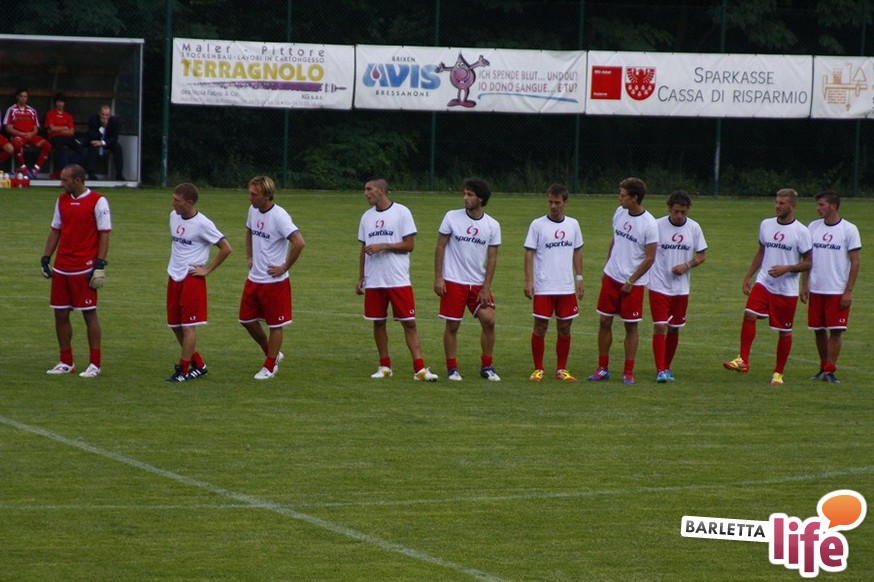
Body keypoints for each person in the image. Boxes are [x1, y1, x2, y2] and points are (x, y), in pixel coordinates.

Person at [723, 188, 812, 386]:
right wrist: (749, 276)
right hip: (764, 282)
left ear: (792, 206)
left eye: (782, 203)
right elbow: (761, 252)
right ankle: (743, 360)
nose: (777, 206)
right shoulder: (766, 224)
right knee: (749, 313)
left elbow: (808, 262)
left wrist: (787, 269)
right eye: (776, 202)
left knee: (784, 331)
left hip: (786, 289)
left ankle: (778, 373)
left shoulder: (802, 231)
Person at [356, 176, 438, 382]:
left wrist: (384, 245)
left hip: (398, 279)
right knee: (378, 323)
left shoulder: (402, 212)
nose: (365, 193)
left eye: (369, 189)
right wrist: (361, 277)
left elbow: (409, 245)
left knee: (409, 323)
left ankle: (419, 369)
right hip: (375, 280)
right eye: (365, 190)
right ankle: (385, 366)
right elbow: (363, 249)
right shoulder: (366, 217)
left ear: (382, 191)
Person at [41, 164, 111, 378]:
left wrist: (100, 264)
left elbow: (104, 233)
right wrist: (46, 258)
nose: (61, 184)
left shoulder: (98, 201)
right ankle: (66, 362)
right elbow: (56, 230)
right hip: (62, 267)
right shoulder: (61, 200)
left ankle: (95, 364)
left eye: (65, 180)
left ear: (78, 181)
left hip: (84, 268)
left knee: (89, 313)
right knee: (60, 313)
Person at [589, 177, 658, 385]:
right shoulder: (619, 212)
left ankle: (628, 372)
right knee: (604, 321)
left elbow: (650, 258)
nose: (619, 198)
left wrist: (631, 280)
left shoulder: (649, 224)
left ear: (634, 198)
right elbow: (615, 240)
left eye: (623, 195)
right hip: (612, 277)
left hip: (633, 284)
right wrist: (607, 265)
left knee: (631, 326)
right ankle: (602, 368)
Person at [434, 178, 501, 382]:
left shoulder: (492, 225)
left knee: (489, 320)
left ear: (480, 198)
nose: (465, 198)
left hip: (478, 283)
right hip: (453, 280)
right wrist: (439, 278)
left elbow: (492, 258)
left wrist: (486, 286)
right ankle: (452, 368)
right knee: (453, 325)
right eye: (464, 194)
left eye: (469, 195)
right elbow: (440, 246)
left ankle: (487, 366)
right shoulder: (451, 217)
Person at [165, 183, 233, 382]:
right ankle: (199, 365)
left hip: (191, 279)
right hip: (174, 277)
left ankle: (183, 370)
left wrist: (207, 270)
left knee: (188, 327)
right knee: (175, 325)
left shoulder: (203, 224)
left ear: (189, 202)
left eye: (177, 200)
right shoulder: (173, 216)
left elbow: (226, 248)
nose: (173, 203)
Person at [239, 176, 305, 380]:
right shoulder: (253, 210)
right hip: (254, 279)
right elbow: (249, 231)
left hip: (274, 283)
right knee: (246, 320)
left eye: (254, 194)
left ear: (267, 195)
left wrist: (283, 267)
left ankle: (269, 366)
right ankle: (271, 352)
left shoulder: (279, 216)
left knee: (275, 325)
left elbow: (299, 242)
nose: (250, 198)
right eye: (250, 193)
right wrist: (249, 255)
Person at [523, 183, 585, 382]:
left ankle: (561, 369)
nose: (553, 206)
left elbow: (577, 251)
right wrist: (528, 281)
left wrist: (579, 278)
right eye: (550, 202)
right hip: (544, 286)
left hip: (566, 287)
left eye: (557, 202)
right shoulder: (537, 225)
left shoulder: (573, 224)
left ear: (565, 203)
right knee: (540, 327)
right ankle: (538, 369)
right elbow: (529, 253)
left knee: (565, 327)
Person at [800, 191, 861, 384]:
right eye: (818, 205)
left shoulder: (849, 229)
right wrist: (804, 284)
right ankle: (822, 367)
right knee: (818, 329)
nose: (818, 208)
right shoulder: (813, 227)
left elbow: (855, 262)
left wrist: (848, 291)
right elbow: (807, 258)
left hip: (837, 290)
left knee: (836, 330)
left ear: (833, 206)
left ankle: (830, 370)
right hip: (816, 289)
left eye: (821, 205)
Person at [648, 190, 707, 383]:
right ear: (669, 209)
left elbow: (702, 255)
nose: (679, 215)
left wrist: (687, 265)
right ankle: (660, 370)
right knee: (660, 327)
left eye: (683, 211)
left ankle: (666, 367)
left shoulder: (694, 228)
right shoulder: (656, 226)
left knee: (674, 328)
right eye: (676, 211)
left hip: (681, 289)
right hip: (658, 285)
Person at [4, 88, 52, 177]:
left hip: (30, 135)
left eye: (25, 96)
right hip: (18, 136)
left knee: (47, 145)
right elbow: (8, 128)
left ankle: (36, 169)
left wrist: (31, 134)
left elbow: (36, 128)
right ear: (17, 97)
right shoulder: (11, 109)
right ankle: (24, 169)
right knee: (16, 143)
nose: (23, 98)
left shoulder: (32, 110)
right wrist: (22, 134)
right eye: (21, 96)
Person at [45, 92, 83, 179]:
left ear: (64, 103)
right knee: (62, 149)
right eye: (58, 101)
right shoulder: (50, 114)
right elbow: (52, 129)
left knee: (80, 147)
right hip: (55, 137)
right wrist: (65, 127)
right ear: (55, 102)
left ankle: (66, 169)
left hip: (67, 137)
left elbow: (71, 131)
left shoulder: (68, 116)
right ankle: (66, 173)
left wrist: (58, 129)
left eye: (62, 102)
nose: (60, 104)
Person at [85, 104, 125, 181]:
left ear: (110, 115)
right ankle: (91, 173)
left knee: (117, 146)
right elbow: (91, 135)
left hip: (107, 142)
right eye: (103, 114)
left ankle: (119, 173)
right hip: (95, 140)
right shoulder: (93, 119)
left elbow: (115, 138)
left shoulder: (114, 121)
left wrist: (103, 142)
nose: (105, 117)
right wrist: (103, 127)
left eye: (107, 115)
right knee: (92, 146)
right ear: (99, 113)